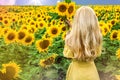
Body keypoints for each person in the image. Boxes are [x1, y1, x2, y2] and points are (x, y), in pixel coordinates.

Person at [63, 6, 102, 80]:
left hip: (76, 74)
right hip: (91, 73)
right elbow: (98, 53)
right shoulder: (97, 38)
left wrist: (71, 32)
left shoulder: (70, 39)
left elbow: (67, 54)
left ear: (76, 22)